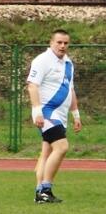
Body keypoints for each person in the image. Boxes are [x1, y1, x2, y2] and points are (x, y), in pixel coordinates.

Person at [28, 29, 81, 204]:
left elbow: (70, 90)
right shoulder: (42, 60)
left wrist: (76, 114)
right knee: (62, 147)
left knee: (46, 153)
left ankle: (40, 193)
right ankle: (46, 189)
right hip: (47, 113)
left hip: (61, 115)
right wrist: (37, 112)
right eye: (59, 42)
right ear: (51, 43)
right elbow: (32, 86)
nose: (62, 46)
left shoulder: (68, 64)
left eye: (66, 43)